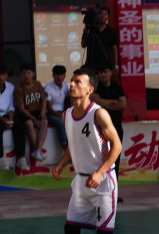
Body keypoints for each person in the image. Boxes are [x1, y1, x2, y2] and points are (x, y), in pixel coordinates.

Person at [52, 68, 122, 234]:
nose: (72, 84)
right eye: (72, 80)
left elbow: (117, 145)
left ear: (90, 90)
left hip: (102, 183)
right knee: (70, 228)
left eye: (78, 82)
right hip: (81, 183)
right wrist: (61, 164)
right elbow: (74, 144)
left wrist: (100, 173)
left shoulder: (99, 114)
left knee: (104, 232)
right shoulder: (67, 115)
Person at [91, 64, 126, 192]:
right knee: (99, 160)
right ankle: (99, 190)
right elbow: (96, 101)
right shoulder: (95, 88)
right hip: (99, 130)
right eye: (101, 72)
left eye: (105, 72)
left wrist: (104, 105)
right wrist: (113, 101)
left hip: (116, 128)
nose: (103, 75)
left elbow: (123, 104)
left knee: (114, 160)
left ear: (111, 72)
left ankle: (113, 191)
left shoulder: (117, 88)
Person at [13, 63, 48, 171]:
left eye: (28, 73)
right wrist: (33, 119)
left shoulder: (37, 84)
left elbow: (43, 100)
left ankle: (38, 150)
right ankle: (37, 150)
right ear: (21, 75)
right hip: (24, 113)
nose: (26, 75)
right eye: (24, 73)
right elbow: (21, 108)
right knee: (29, 123)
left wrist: (43, 112)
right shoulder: (19, 88)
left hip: (36, 111)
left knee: (45, 122)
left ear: (33, 74)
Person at [81, 7, 119, 76]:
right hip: (90, 64)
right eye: (101, 13)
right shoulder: (90, 29)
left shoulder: (111, 31)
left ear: (108, 17)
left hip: (105, 64)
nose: (102, 16)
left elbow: (114, 49)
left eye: (105, 14)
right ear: (97, 16)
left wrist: (116, 65)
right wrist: (86, 33)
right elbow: (83, 45)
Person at [44, 65, 70, 151]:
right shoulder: (48, 88)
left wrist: (68, 113)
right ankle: (65, 148)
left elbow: (68, 101)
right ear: (53, 75)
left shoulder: (66, 85)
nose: (59, 77)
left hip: (63, 111)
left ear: (64, 76)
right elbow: (50, 109)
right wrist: (62, 116)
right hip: (51, 113)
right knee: (60, 122)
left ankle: (73, 146)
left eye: (61, 74)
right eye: (57, 74)